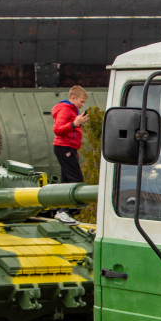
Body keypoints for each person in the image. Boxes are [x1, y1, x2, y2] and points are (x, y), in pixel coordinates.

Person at [52, 85, 90, 224]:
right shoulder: (65, 109)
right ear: (73, 98)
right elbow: (57, 129)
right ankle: (65, 211)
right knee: (75, 178)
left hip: (69, 148)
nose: (82, 105)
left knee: (66, 180)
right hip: (64, 147)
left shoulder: (73, 110)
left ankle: (62, 211)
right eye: (81, 101)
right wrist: (75, 123)